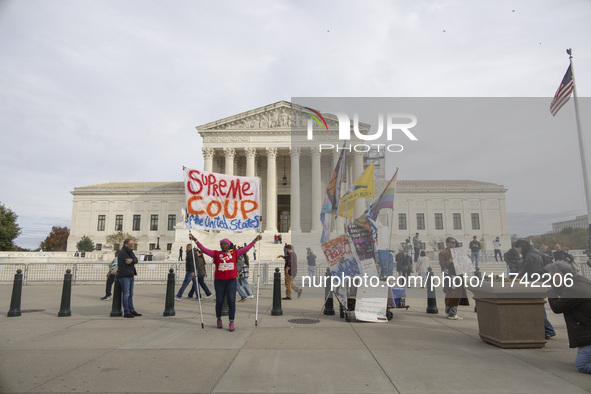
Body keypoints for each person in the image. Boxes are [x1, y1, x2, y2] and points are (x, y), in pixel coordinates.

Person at [190, 233, 261, 332]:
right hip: (219, 281)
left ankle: (231, 321)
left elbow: (246, 249)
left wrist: (255, 240)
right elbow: (204, 250)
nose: (223, 245)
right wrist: (195, 240)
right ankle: (219, 318)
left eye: (225, 244)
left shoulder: (234, 253)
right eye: (221, 244)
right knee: (219, 301)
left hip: (231, 280)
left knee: (231, 301)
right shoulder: (216, 254)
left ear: (228, 245)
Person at [547, 261, 591, 373]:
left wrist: (551, 291)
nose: (550, 278)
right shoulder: (581, 282)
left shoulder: (573, 289)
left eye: (551, 275)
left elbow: (557, 307)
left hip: (588, 334)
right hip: (587, 331)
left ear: (560, 274)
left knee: (582, 364)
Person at [513, 239, 556, 339]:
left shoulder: (531, 255)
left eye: (517, 249)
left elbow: (534, 271)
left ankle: (548, 329)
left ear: (521, 247)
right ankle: (546, 330)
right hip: (537, 283)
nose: (517, 251)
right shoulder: (532, 253)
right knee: (538, 306)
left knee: (537, 307)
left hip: (535, 284)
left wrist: (518, 278)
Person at [438, 237, 469, 320]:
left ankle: (450, 312)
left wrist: (466, 257)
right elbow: (442, 264)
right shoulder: (443, 253)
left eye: (455, 242)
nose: (454, 244)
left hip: (458, 274)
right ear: (447, 243)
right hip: (449, 276)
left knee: (456, 293)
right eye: (452, 242)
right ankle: (451, 313)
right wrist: (449, 261)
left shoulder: (457, 252)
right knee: (452, 293)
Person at [118, 238, 141, 318]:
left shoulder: (130, 252)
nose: (132, 245)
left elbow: (136, 260)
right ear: (126, 244)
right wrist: (132, 260)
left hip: (130, 275)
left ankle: (132, 310)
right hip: (124, 276)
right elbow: (128, 261)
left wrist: (132, 260)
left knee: (131, 294)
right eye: (131, 244)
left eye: (132, 244)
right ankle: (126, 312)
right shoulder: (122, 252)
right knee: (126, 294)